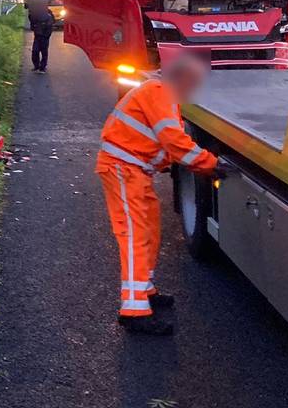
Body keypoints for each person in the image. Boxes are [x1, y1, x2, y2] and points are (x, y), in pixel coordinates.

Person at [94, 54, 221, 336]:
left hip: (133, 171)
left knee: (148, 231)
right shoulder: (159, 92)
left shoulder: (162, 94)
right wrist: (211, 164)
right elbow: (175, 143)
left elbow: (166, 143)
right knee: (135, 235)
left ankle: (145, 290)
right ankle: (134, 310)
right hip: (124, 170)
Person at [27, 0, 55, 73]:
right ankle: (36, 66)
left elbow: (51, 23)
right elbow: (31, 20)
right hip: (37, 35)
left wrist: (47, 34)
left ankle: (42, 67)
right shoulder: (34, 13)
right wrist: (34, 28)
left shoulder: (48, 13)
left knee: (44, 52)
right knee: (35, 51)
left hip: (44, 36)